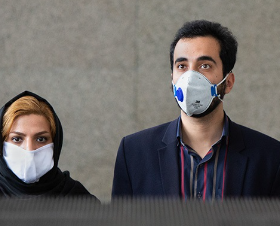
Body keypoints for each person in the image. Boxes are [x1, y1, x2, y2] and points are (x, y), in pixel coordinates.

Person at [112, 20, 280, 200]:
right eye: (182, 66)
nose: (190, 78)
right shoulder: (134, 153)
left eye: (204, 65)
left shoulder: (270, 157)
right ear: (172, 79)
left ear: (228, 82)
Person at [0, 91, 98, 200]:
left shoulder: (81, 203)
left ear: (55, 144)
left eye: (41, 139)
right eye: (17, 139)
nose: (29, 149)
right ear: (0, 145)